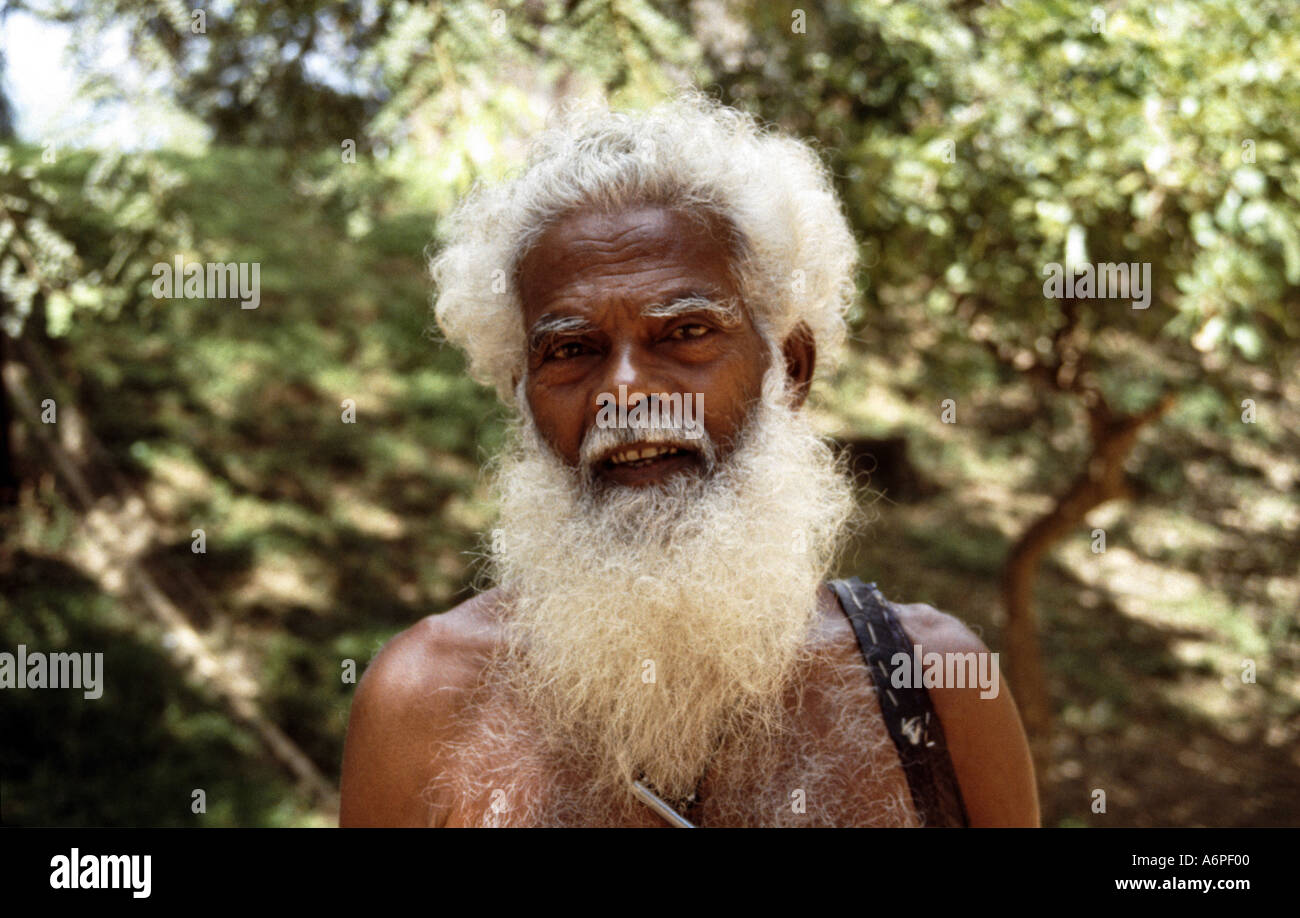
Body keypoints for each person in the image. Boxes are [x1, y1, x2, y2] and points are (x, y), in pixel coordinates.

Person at [340, 91, 1039, 827]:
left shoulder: (935, 683)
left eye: (686, 333)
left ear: (789, 368)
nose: (626, 393)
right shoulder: (422, 704)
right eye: (571, 350)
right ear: (523, 395)